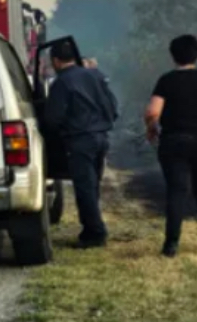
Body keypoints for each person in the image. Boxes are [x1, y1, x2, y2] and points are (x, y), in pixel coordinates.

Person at [143, 34, 197, 257]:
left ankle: (171, 244)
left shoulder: (166, 80)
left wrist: (152, 128)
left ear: (173, 56)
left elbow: (153, 111)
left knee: (176, 191)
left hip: (174, 143)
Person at [45, 42, 119, 248]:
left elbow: (53, 118)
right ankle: (90, 228)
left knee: (84, 187)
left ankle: (95, 233)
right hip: (101, 137)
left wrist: (55, 133)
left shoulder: (62, 83)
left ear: (56, 61)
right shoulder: (95, 75)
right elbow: (112, 106)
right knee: (93, 185)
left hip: (79, 140)